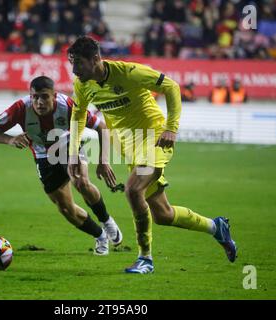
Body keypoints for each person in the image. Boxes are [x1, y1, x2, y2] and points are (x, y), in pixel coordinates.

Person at [67, 36, 237, 274]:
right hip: (130, 148)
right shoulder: (82, 85)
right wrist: (75, 153)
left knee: (133, 189)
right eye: (71, 63)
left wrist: (171, 128)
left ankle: (145, 258)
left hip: (154, 138)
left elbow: (171, 86)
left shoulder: (130, 73)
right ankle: (215, 227)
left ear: (95, 59)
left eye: (78, 63)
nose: (74, 70)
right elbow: (78, 116)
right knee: (162, 215)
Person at [0, 76, 123, 256]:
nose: (39, 102)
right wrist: (10, 139)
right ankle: (100, 236)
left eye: (44, 97)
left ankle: (106, 220)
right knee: (65, 208)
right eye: (35, 97)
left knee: (80, 181)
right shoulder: (20, 109)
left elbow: (101, 127)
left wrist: (103, 161)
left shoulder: (68, 106)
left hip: (67, 146)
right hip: (43, 155)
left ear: (54, 96)